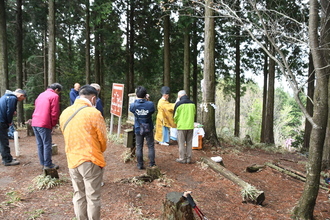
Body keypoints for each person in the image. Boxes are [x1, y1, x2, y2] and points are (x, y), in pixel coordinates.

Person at [60, 85, 107, 220]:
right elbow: (102, 140)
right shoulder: (94, 113)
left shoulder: (65, 113)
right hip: (90, 159)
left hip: (72, 159)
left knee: (79, 194)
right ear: (93, 99)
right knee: (93, 197)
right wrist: (100, 151)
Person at [32, 83, 62, 170]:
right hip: (44, 122)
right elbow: (54, 112)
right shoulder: (54, 96)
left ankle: (43, 162)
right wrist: (53, 124)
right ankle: (48, 164)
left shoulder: (41, 94)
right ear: (56, 90)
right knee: (47, 144)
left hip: (35, 121)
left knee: (40, 143)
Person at [129, 86, 156, 170]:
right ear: (145, 95)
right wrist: (147, 100)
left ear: (136, 94)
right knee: (150, 145)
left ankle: (140, 164)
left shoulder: (133, 105)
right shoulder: (150, 104)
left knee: (139, 146)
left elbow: (132, 109)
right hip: (148, 127)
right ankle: (152, 163)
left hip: (138, 127)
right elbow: (152, 111)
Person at [0, 89, 27, 166]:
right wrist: (9, 122)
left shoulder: (5, 96)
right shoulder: (13, 98)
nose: (20, 101)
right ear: (21, 95)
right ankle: (7, 160)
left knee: (2, 141)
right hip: (1, 122)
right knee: (4, 141)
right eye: (22, 99)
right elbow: (10, 111)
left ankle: (7, 157)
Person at [173, 90, 196, 164]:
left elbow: (175, 116)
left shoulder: (178, 104)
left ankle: (182, 158)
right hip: (190, 126)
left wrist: (176, 122)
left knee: (181, 143)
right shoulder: (192, 104)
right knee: (189, 142)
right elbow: (194, 113)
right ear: (186, 94)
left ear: (179, 96)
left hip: (181, 126)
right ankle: (188, 158)